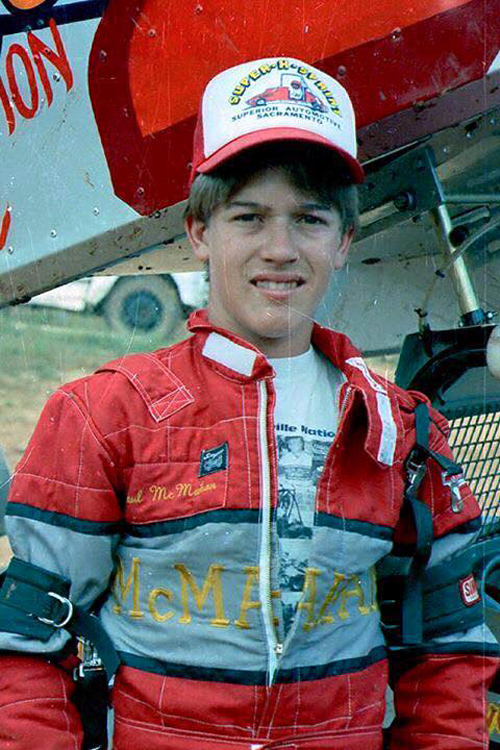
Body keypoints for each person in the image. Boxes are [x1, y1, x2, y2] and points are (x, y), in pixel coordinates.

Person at [0, 56, 498, 750]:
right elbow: (25, 646)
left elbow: (449, 659)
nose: (280, 249)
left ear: (344, 241)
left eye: (310, 219)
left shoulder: (406, 433)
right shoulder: (104, 414)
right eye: (249, 217)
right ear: (199, 233)